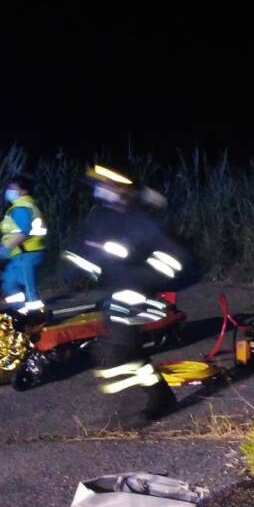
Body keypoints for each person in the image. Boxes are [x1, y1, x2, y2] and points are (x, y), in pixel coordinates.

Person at [62, 164, 189, 420]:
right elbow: (88, 250)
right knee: (129, 350)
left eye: (107, 184)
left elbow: (173, 257)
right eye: (99, 185)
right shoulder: (102, 217)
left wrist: (143, 276)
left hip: (136, 292)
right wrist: (76, 268)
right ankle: (160, 397)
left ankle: (146, 401)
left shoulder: (139, 219)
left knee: (117, 350)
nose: (101, 189)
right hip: (116, 290)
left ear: (123, 189)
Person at [0, 173, 47, 314]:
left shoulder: (21, 208)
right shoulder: (24, 206)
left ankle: (35, 317)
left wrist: (5, 247)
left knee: (29, 289)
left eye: (12, 188)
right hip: (20, 254)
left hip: (27, 253)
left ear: (23, 190)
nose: (9, 191)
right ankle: (22, 312)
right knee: (8, 283)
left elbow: (24, 232)